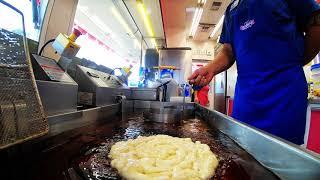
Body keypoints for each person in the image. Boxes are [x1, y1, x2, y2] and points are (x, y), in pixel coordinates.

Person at [188, 0, 320, 144]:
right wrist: (210, 68)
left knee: (281, 156)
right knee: (241, 152)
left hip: (283, 98)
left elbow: (316, 22)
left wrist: (295, 62)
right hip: (246, 101)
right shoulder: (232, 9)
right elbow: (228, 50)